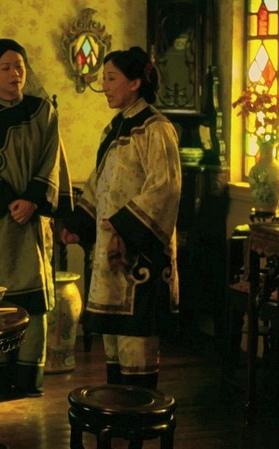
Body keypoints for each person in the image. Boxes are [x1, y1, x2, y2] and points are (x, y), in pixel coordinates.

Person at [0, 38, 72, 398]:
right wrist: (10, 202)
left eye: (19, 66)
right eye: (5, 67)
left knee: (35, 301)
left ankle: (27, 380)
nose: (14, 73)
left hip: (34, 223)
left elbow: (52, 160)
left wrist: (33, 201)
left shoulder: (42, 111)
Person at [61, 46, 181, 389]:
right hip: (109, 251)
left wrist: (123, 223)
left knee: (137, 343)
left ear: (135, 82)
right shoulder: (113, 129)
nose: (104, 86)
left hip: (141, 254)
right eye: (104, 78)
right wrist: (79, 224)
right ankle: (115, 409)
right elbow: (98, 184)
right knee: (113, 344)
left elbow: (166, 187)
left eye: (111, 78)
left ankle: (139, 410)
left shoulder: (157, 129)